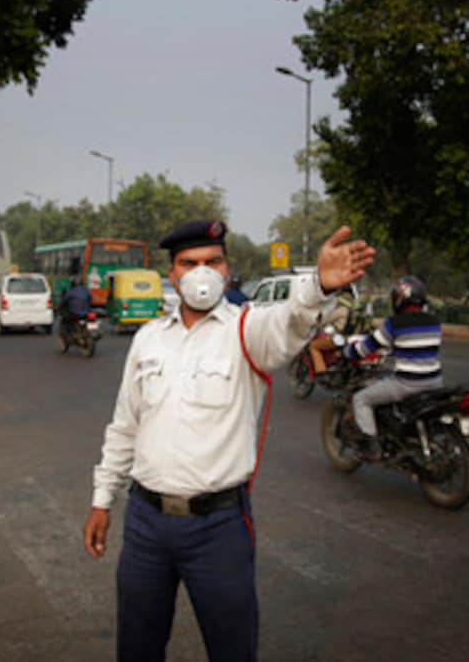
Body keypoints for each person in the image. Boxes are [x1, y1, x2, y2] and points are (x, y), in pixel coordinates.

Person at [83, 220, 375, 661]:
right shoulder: (148, 340)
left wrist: (319, 285)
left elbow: (289, 324)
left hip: (217, 528)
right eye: (189, 263)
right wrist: (102, 500)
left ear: (227, 269)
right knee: (137, 648)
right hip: (145, 524)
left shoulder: (247, 331)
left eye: (212, 261)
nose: (201, 272)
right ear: (173, 274)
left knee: (231, 649)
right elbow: (125, 425)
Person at [344, 275, 443, 448]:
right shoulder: (435, 322)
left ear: (398, 299)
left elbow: (367, 347)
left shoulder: (395, 324)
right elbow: (419, 347)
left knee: (361, 399)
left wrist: (349, 351)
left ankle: (371, 443)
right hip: (435, 382)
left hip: (408, 383)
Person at [308, 285, 358, 375]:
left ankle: (321, 372)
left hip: (338, 339)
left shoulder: (341, 310)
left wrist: (316, 323)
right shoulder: (355, 311)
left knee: (313, 346)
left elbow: (324, 321)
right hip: (350, 339)